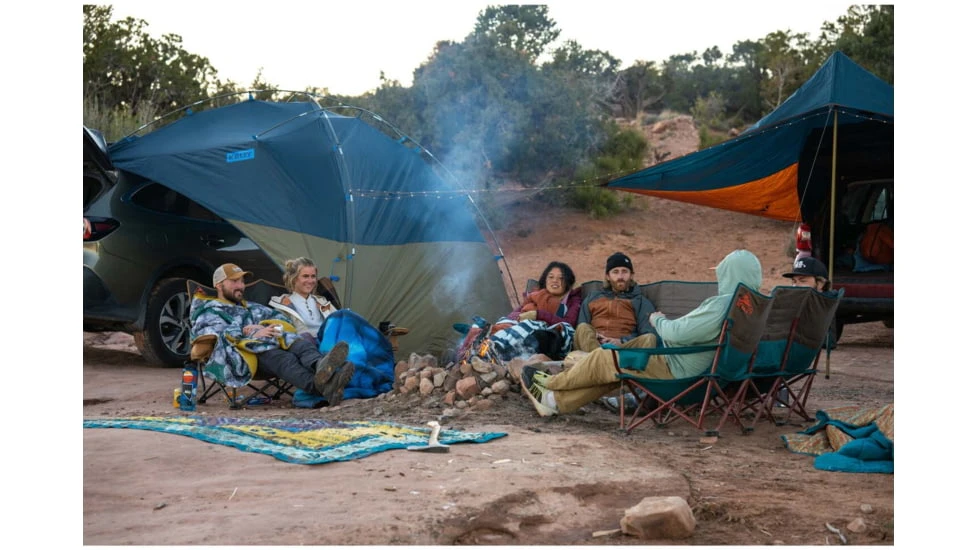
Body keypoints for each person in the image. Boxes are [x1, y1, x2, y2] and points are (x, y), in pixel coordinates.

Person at [515, 249, 763, 417]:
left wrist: (659, 319)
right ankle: (555, 402)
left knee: (607, 358)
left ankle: (550, 383)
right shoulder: (750, 305)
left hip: (678, 371)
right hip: (705, 372)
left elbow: (675, 334)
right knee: (612, 366)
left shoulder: (722, 304)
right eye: (615, 272)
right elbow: (582, 324)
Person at [190, 263, 355, 406]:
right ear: (219, 285)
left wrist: (264, 325)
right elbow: (211, 332)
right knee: (284, 358)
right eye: (234, 281)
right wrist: (252, 333)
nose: (240, 285)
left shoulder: (251, 307)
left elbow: (280, 318)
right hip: (245, 355)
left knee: (300, 343)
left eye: (242, 281)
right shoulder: (209, 310)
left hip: (272, 343)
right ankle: (322, 387)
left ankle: (321, 367)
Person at [573, 252, 656, 352]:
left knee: (650, 338)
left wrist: (622, 341)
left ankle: (602, 361)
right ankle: (599, 358)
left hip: (623, 348)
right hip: (594, 346)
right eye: (615, 272)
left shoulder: (640, 301)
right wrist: (597, 336)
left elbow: (648, 332)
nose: (620, 276)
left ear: (631, 275)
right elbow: (582, 326)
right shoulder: (593, 297)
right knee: (582, 328)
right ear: (608, 276)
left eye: (624, 271)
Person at [268, 257, 338, 339]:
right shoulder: (283, 305)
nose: (310, 281)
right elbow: (280, 333)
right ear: (293, 279)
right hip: (304, 345)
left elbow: (338, 323)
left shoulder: (322, 302)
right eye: (305, 276)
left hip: (328, 340)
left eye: (313, 276)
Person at [508, 261, 583, 326]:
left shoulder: (573, 301)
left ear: (568, 282)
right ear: (545, 280)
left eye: (561, 278)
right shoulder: (535, 295)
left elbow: (569, 324)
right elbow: (512, 315)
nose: (555, 280)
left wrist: (538, 315)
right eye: (551, 277)